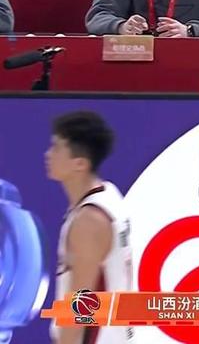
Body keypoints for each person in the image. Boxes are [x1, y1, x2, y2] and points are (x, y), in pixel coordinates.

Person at [45, 111, 132, 344]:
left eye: (56, 148)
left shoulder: (89, 221)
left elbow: (80, 309)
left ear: (80, 164)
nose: (48, 154)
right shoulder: (108, 194)